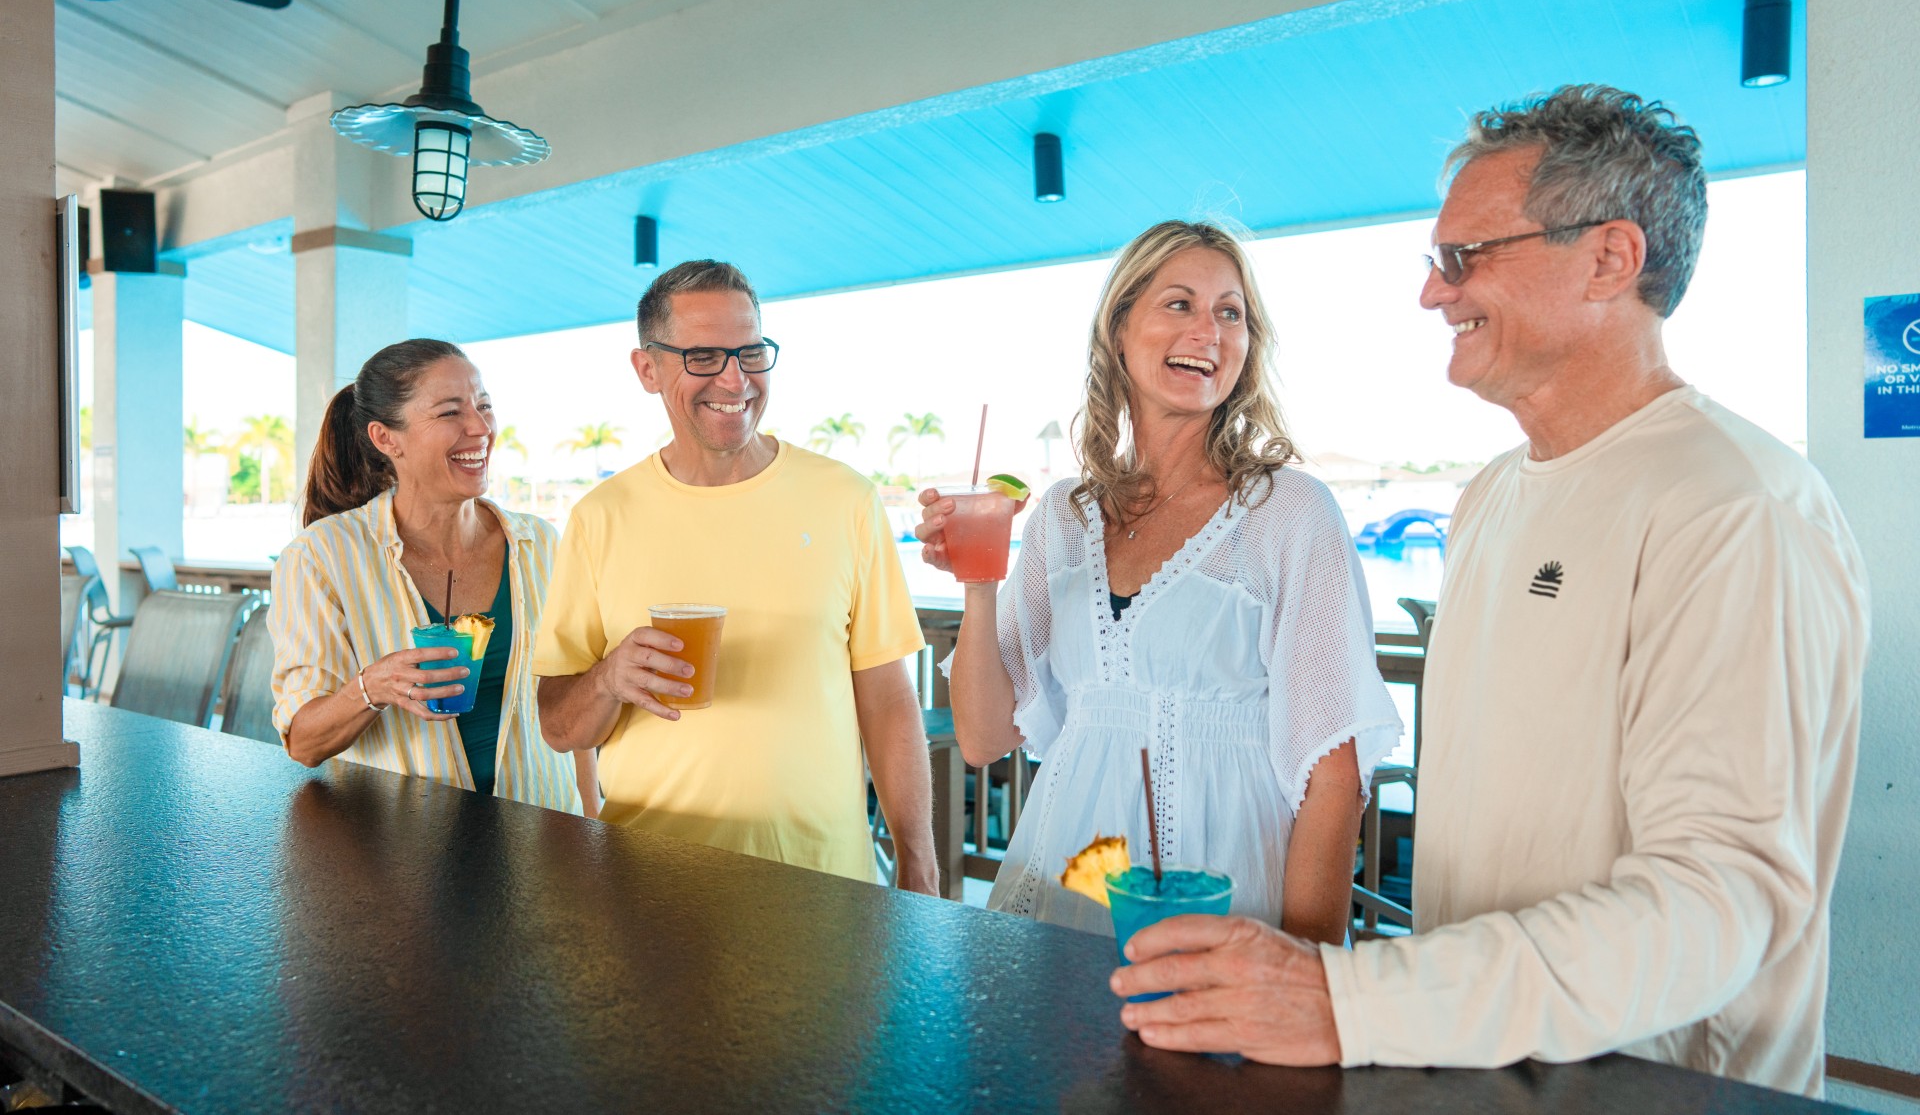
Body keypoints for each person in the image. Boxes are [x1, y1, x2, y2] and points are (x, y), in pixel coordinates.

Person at [1111, 86, 1868, 1099]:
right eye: (1435, 260)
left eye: (1465, 258)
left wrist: (1350, 1000)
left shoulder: (1734, 504)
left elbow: (1719, 897)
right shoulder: (1490, 500)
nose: (1434, 293)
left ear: (1609, 258)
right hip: (1479, 1067)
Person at [917, 220, 1402, 942]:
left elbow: (1333, 776)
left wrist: (1309, 971)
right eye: (1179, 303)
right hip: (1067, 877)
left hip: (1227, 889)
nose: (1208, 330)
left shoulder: (1289, 513)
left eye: (1230, 312)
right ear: (1119, 330)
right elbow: (986, 736)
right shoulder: (1063, 515)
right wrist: (978, 582)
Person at [534, 260, 937, 893]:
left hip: (824, 886)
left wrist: (918, 860)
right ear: (647, 369)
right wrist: (610, 677)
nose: (735, 378)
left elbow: (887, 700)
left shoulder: (845, 500)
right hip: (649, 885)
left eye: (750, 352)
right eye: (703, 356)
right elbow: (559, 728)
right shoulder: (598, 518)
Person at [270, 338, 596, 815]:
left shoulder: (540, 543)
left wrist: (591, 829)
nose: (480, 427)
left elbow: (573, 707)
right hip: (403, 855)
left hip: (542, 839)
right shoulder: (321, 557)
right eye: (449, 413)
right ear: (386, 439)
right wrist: (372, 688)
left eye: (484, 406)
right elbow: (304, 742)